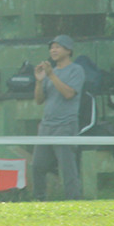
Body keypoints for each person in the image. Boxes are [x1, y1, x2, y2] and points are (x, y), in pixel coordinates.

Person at [32, 35, 85, 200]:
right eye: (51, 47)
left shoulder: (76, 70)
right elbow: (39, 100)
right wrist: (40, 81)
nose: (53, 50)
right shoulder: (50, 73)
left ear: (68, 51)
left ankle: (73, 199)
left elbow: (69, 94)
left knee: (67, 167)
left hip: (65, 126)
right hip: (46, 126)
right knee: (37, 166)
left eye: (58, 47)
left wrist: (52, 76)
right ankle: (39, 199)